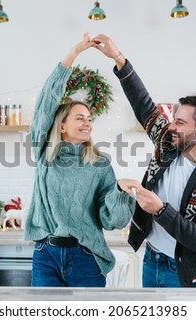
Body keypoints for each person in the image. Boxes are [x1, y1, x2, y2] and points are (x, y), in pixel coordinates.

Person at [92, 34, 196, 288]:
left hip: (183, 274)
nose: (171, 125)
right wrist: (118, 58)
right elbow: (144, 105)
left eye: (180, 122)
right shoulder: (169, 142)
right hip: (151, 259)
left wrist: (160, 210)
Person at [24, 33, 136, 287]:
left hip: (85, 257)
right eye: (79, 117)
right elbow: (45, 104)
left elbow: (112, 221)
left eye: (89, 118)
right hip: (46, 255)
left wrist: (119, 191)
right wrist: (73, 53)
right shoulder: (44, 153)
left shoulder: (100, 163)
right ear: (62, 126)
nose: (87, 122)